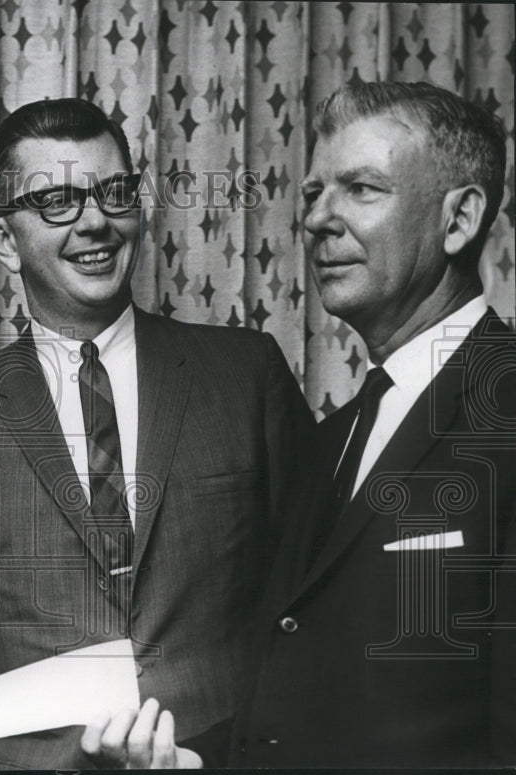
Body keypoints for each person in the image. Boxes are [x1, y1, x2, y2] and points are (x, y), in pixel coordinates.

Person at [0, 97, 315, 769]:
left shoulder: (246, 374)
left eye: (114, 193)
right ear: (4, 240)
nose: (95, 221)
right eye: (57, 202)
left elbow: (310, 595)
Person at [218, 81, 515, 767]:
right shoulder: (329, 439)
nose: (318, 218)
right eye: (316, 192)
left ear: (460, 219)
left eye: (361, 189)